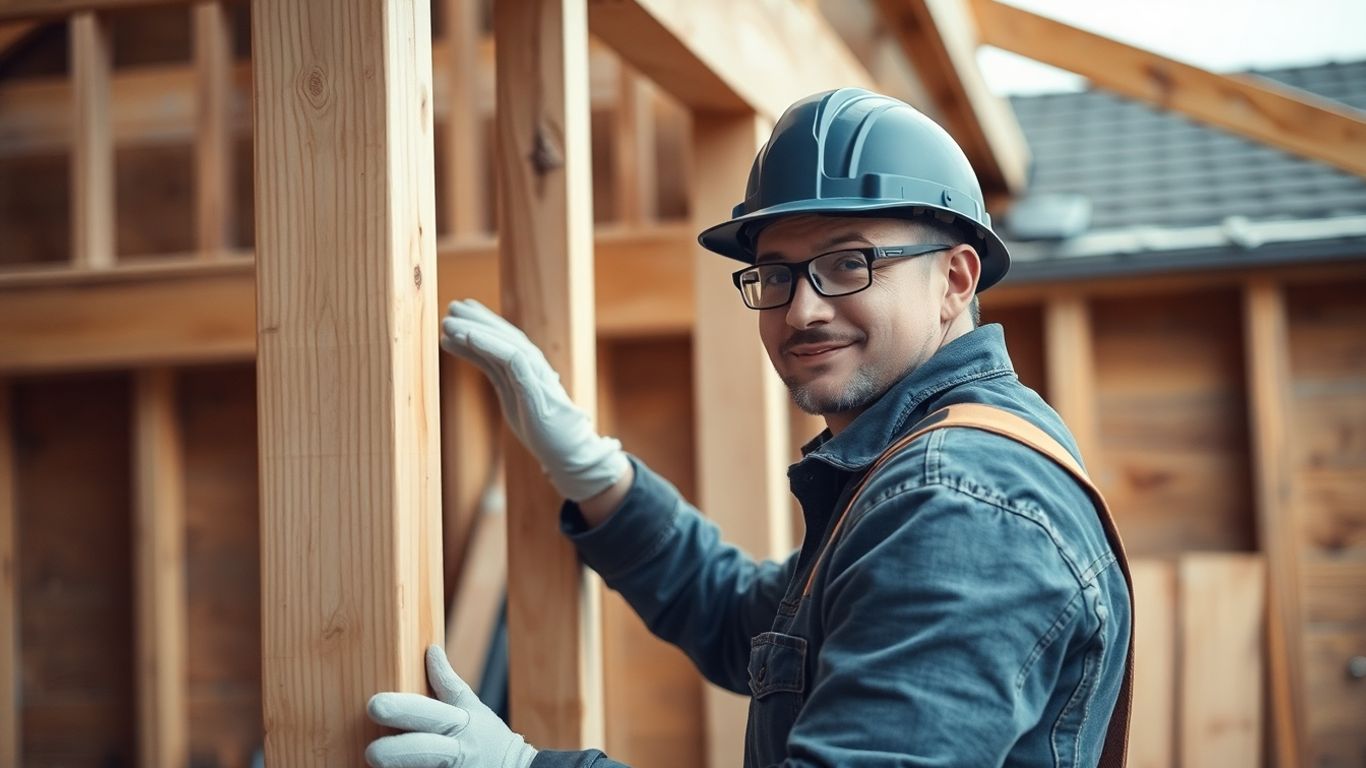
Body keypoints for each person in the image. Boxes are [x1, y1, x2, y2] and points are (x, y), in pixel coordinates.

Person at [364, 88, 1133, 768]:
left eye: (847, 264)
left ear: (954, 280)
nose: (802, 310)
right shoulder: (917, 472)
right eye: (776, 274)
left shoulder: (957, 503)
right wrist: (597, 475)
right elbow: (748, 626)